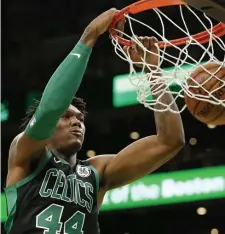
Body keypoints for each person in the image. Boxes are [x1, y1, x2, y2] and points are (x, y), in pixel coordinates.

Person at [4, 8, 185, 234]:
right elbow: (50, 108)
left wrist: (152, 70)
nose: (76, 121)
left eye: (80, 118)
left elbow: (169, 141)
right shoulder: (25, 153)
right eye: (66, 116)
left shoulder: (96, 172)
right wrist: (89, 36)